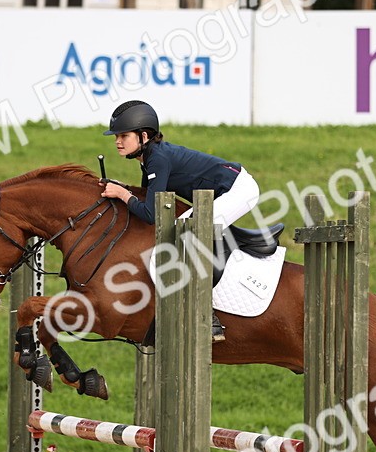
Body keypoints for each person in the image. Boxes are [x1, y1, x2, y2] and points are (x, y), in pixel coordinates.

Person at [99, 100, 261, 342]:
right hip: (221, 190)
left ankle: (209, 316)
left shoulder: (157, 159)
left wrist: (123, 195)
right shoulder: (149, 157)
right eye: (116, 136)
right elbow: (147, 198)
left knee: (187, 232)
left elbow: (151, 214)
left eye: (123, 135)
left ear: (143, 136)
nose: (117, 141)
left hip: (238, 190)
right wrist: (123, 190)